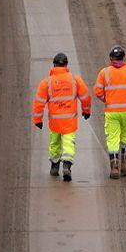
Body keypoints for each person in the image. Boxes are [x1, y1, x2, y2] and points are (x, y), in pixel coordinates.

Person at [33, 53, 91, 181]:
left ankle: (54, 166)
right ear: (66, 65)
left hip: (54, 122)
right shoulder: (75, 80)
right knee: (69, 143)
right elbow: (86, 96)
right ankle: (66, 166)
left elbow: (39, 102)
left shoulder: (46, 82)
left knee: (55, 143)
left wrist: (38, 119)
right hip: (69, 121)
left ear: (54, 65)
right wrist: (86, 111)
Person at [94, 46, 126, 179]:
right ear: (123, 58)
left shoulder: (104, 73)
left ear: (111, 58)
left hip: (111, 112)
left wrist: (107, 99)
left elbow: (97, 91)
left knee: (113, 139)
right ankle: (125, 165)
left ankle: (114, 167)